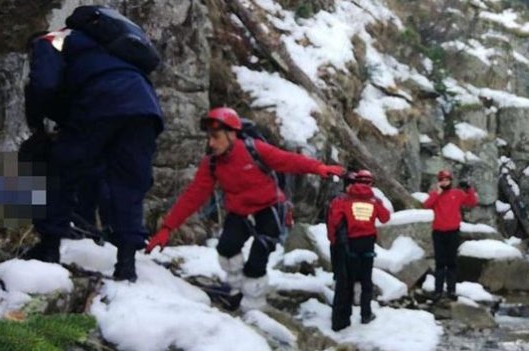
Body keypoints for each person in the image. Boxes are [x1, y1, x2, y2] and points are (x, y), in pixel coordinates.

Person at [145, 107, 344, 311]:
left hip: (269, 209)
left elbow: (288, 160)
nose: (211, 143)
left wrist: (319, 168)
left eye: (216, 137)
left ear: (232, 134)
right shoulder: (212, 164)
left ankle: (253, 304)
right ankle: (236, 289)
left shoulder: (254, 150)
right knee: (226, 249)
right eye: (209, 138)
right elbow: (193, 196)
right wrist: (167, 228)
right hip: (240, 212)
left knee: (258, 258)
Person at [23, 14, 163, 283]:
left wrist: (37, 122)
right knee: (129, 183)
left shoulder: (52, 39)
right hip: (145, 110)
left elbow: (45, 83)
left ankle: (49, 247)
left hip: (101, 101)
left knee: (60, 170)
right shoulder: (108, 46)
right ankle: (126, 264)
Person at [327, 170, 390, 331]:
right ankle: (365, 314)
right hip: (367, 244)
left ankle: (343, 317)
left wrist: (334, 242)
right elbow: (385, 218)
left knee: (346, 281)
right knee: (366, 280)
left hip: (349, 244)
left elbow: (334, 221)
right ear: (371, 183)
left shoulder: (344, 200)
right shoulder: (374, 201)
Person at [423, 169, 478, 300]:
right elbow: (426, 205)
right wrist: (437, 193)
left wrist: (469, 189)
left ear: (451, 181)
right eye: (442, 180)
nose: (444, 182)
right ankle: (438, 291)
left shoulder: (457, 193)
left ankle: (451, 290)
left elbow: (472, 202)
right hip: (438, 232)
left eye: (447, 180)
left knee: (452, 263)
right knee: (440, 263)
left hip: (453, 232)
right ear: (439, 182)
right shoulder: (435, 194)